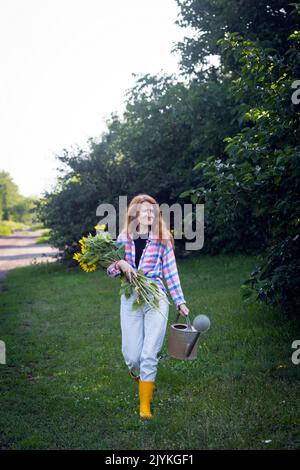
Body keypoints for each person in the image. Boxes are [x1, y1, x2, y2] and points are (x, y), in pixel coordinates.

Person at [107, 194, 189, 419]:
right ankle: (141, 377)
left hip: (155, 297)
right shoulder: (124, 238)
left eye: (153, 211)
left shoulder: (162, 239)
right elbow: (109, 270)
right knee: (132, 356)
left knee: (149, 353)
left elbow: (171, 273)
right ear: (135, 214)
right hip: (130, 299)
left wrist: (179, 301)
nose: (149, 214)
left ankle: (145, 406)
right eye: (145, 211)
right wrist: (121, 263)